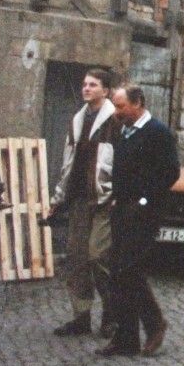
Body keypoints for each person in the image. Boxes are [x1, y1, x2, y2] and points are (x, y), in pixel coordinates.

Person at [96, 84, 180, 358]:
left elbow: (170, 173)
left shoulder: (158, 133)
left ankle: (155, 324)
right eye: (116, 106)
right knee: (118, 272)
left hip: (146, 212)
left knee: (129, 269)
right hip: (123, 209)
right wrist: (115, 197)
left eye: (121, 106)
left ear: (138, 103)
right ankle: (127, 337)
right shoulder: (123, 131)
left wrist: (144, 200)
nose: (117, 112)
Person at [46, 68, 119, 339]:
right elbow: (67, 163)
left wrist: (118, 193)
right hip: (78, 198)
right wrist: (58, 198)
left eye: (93, 84)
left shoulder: (115, 121)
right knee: (76, 260)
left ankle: (112, 315)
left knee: (97, 255)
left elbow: (123, 162)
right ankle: (81, 316)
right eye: (84, 84)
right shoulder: (77, 120)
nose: (86, 88)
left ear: (106, 90)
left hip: (104, 201)